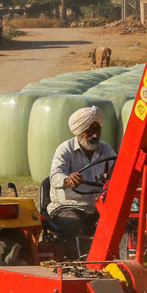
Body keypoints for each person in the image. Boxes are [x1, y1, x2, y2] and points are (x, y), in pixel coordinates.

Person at [48, 106, 117, 254]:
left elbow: (118, 171)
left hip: (98, 207)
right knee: (75, 226)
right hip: (68, 207)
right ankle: (78, 262)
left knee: (122, 224)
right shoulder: (65, 149)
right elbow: (55, 176)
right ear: (79, 131)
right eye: (89, 131)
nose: (94, 135)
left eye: (97, 130)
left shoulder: (106, 150)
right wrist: (67, 179)